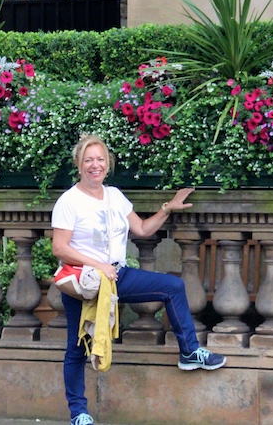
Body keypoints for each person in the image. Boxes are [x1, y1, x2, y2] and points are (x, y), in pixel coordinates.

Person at [51, 134, 226, 425]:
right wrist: (98, 265)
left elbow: (143, 229)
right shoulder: (69, 201)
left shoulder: (115, 196)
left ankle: (190, 352)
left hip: (117, 275)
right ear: (78, 165)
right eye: (88, 160)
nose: (95, 165)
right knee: (78, 346)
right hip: (85, 283)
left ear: (108, 164)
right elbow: (59, 248)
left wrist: (167, 208)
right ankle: (78, 413)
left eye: (100, 159)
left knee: (173, 286)